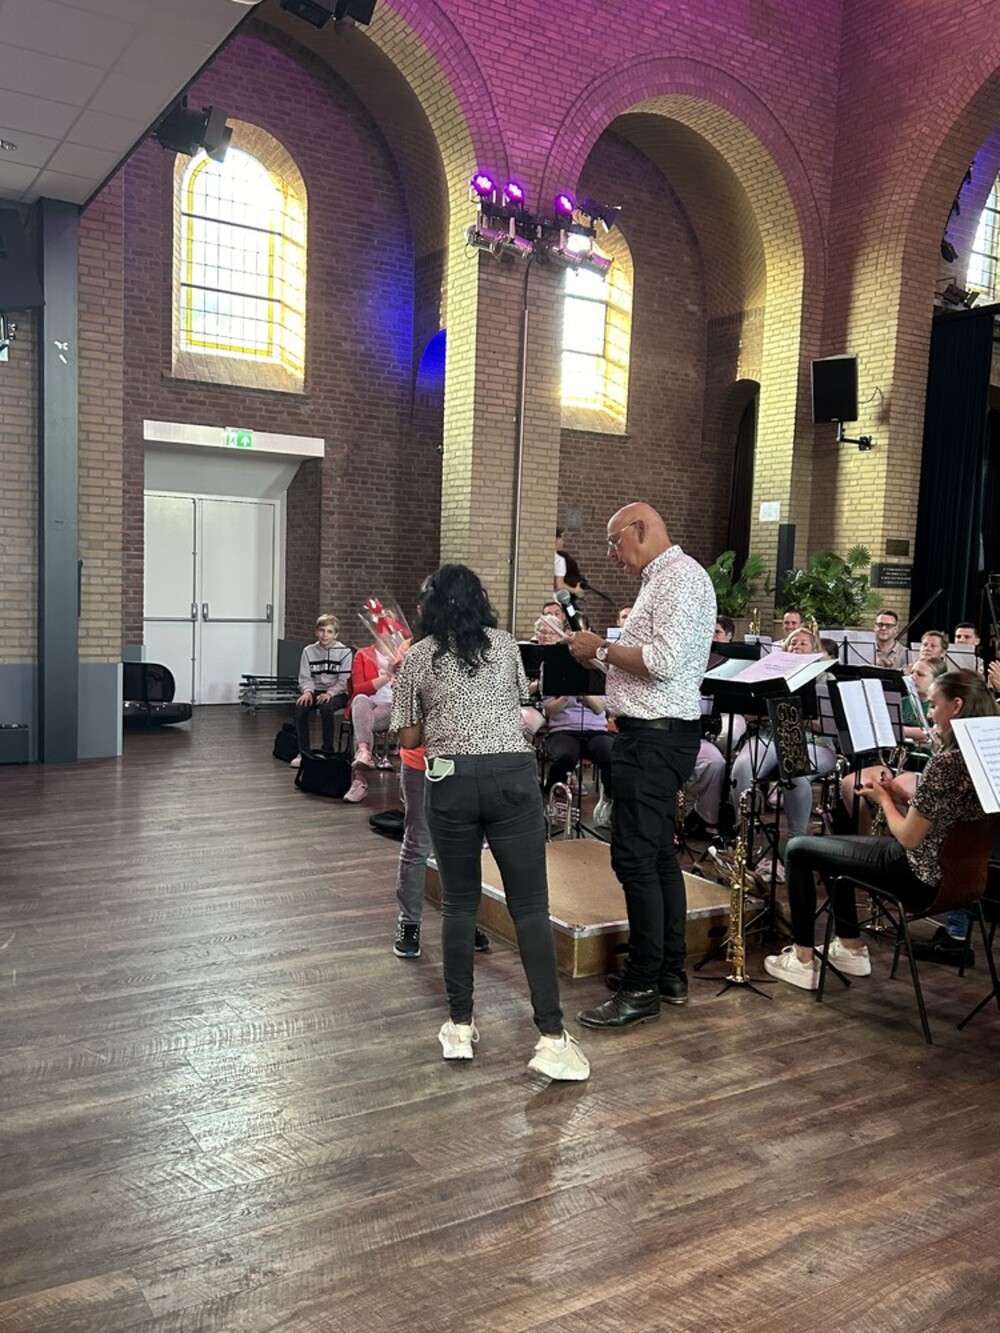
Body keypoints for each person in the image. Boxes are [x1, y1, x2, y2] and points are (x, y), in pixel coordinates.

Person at [391, 563, 590, 1080]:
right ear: (479, 600)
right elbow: (517, 706)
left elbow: (409, 739)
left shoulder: (417, 656)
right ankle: (552, 1036)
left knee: (460, 905)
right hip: (511, 776)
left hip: (450, 779)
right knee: (530, 907)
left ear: (431, 606)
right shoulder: (504, 646)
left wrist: (424, 704)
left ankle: (460, 1027)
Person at [568, 502, 716, 1028]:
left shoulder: (680, 578)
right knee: (655, 858)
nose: (612, 554)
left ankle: (642, 987)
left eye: (615, 541)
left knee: (635, 861)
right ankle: (667, 972)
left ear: (640, 528)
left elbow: (664, 662)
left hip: (655, 740)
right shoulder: (663, 579)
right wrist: (598, 654)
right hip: (651, 735)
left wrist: (602, 650)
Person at [764, 670, 999, 990]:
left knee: (798, 849)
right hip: (965, 881)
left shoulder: (947, 764)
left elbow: (908, 837)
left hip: (918, 877)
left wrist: (884, 801)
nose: (930, 714)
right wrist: (903, 797)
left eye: (933, 705)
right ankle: (849, 946)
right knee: (834, 849)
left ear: (956, 706)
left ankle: (803, 959)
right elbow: (951, 814)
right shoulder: (989, 755)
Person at [728, 627, 837, 840]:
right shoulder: (770, 674)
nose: (796, 646)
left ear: (815, 650)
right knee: (743, 766)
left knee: (797, 771)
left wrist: (792, 717)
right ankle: (744, 829)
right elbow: (749, 715)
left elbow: (828, 724)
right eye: (792, 643)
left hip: (814, 743)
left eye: (803, 643)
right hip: (768, 737)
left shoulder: (826, 678)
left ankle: (797, 839)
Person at [541, 691, 614, 827]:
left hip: (596, 731)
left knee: (611, 756)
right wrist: (566, 695)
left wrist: (584, 692)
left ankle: (609, 798)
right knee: (565, 756)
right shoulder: (553, 676)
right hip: (562, 730)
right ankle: (549, 796)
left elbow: (599, 708)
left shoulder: (599, 676)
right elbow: (550, 711)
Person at [343, 639, 398, 803]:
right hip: (366, 703)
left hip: (392, 705)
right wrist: (386, 677)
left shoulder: (403, 657)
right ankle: (364, 753)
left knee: (362, 724)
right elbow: (359, 688)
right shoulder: (363, 654)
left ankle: (360, 782)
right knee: (359, 699)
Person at [293, 614, 352, 763]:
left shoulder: (345, 652)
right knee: (301, 707)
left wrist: (330, 693)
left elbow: (344, 681)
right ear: (316, 632)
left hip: (338, 692)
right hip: (315, 690)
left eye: (329, 631)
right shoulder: (308, 651)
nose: (325, 635)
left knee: (326, 708)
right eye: (321, 630)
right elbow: (305, 677)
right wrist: (307, 692)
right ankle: (303, 752)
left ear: (335, 634)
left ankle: (327, 751)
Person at [554, 528, 585, 596]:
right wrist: (575, 590)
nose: (563, 542)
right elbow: (560, 585)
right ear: (555, 540)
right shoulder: (559, 560)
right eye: (561, 539)